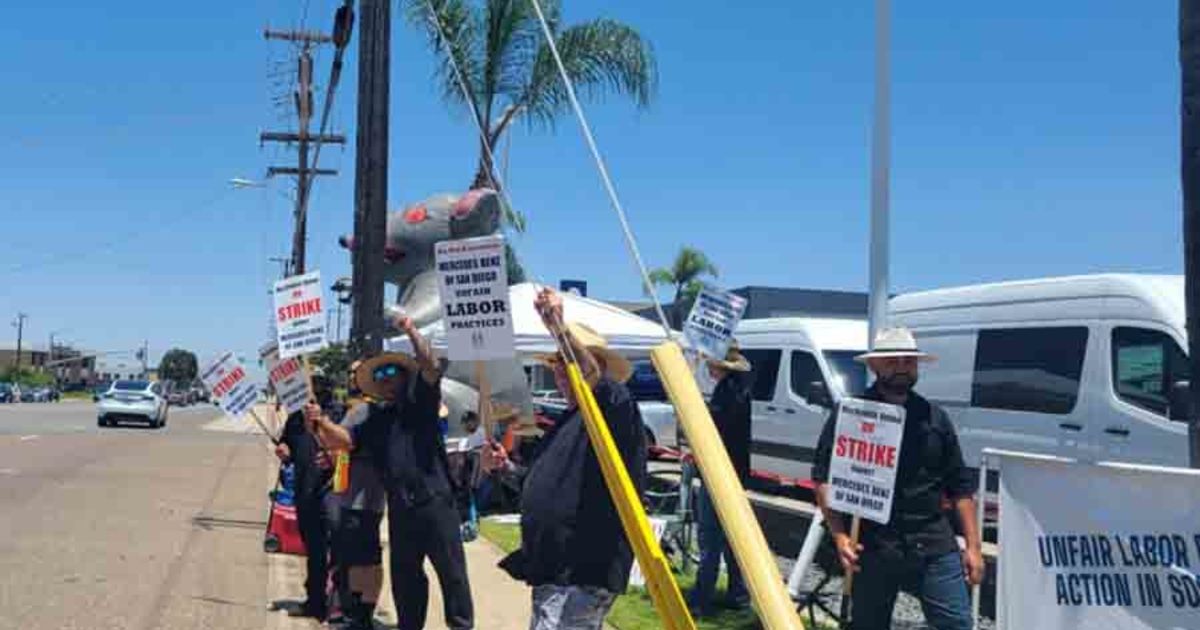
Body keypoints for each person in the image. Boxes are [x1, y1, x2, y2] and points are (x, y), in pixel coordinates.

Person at [482, 287, 648, 630]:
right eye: (557, 364)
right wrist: (506, 467)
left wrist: (558, 327)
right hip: (553, 567)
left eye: (567, 362)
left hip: (585, 567)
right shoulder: (567, 420)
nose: (561, 371)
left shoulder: (615, 408)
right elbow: (539, 479)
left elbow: (592, 381)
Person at [307, 315, 475, 630]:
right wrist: (320, 422)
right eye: (379, 374)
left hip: (436, 504)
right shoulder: (373, 417)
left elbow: (429, 365)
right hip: (401, 510)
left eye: (391, 372)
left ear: (403, 376)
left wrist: (411, 331)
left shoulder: (421, 400)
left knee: (452, 575)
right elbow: (345, 441)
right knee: (406, 580)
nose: (385, 379)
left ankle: (462, 626)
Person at [812, 327, 984, 630]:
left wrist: (973, 547)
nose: (902, 367)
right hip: (873, 544)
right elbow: (823, 478)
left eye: (909, 361)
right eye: (893, 361)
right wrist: (839, 535)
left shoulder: (935, 417)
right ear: (874, 366)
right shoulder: (851, 414)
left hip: (932, 541)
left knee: (956, 624)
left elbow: (961, 487)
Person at [687, 342, 752, 617]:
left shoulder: (724, 395)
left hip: (718, 474)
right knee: (731, 538)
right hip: (735, 474)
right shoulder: (740, 391)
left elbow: (712, 429)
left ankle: (702, 598)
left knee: (710, 538)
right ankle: (738, 594)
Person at [330, 360, 387, 630]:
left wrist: (318, 422)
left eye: (357, 373)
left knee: (361, 561)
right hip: (353, 496)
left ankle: (359, 616)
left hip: (361, 500)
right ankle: (356, 613)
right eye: (351, 373)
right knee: (358, 559)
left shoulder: (365, 410)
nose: (353, 377)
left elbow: (343, 441)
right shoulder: (359, 408)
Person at [276, 374, 337, 621]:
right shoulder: (294, 420)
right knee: (313, 551)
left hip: (332, 493)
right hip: (304, 492)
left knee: (334, 551)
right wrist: (284, 451)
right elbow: (286, 447)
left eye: (314, 393)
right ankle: (315, 602)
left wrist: (321, 425)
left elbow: (347, 447)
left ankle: (337, 604)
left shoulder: (335, 415)